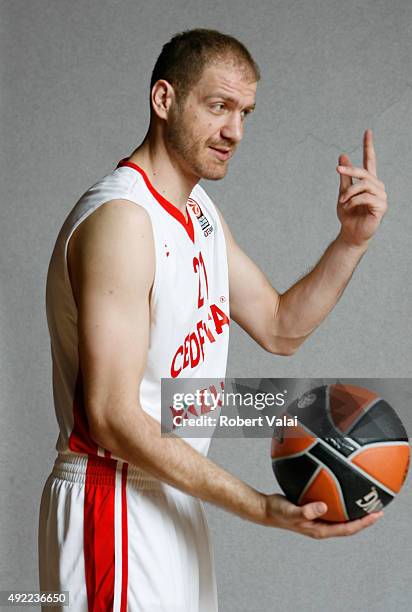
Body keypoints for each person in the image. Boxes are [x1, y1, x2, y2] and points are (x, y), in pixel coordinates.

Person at [38, 28, 388, 612]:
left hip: (173, 496)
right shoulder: (122, 219)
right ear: (164, 100)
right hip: (113, 504)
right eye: (219, 106)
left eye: (246, 113)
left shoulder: (198, 211)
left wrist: (350, 243)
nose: (235, 132)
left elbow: (280, 327)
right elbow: (110, 417)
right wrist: (257, 506)